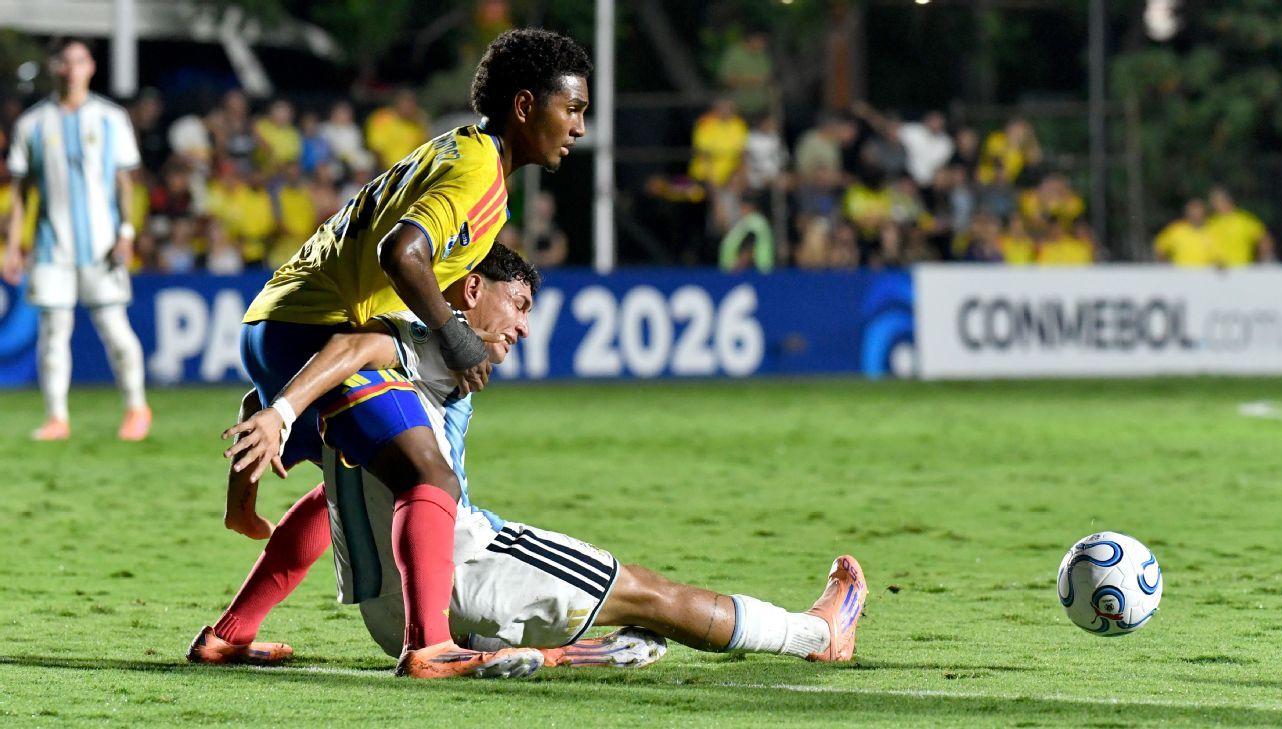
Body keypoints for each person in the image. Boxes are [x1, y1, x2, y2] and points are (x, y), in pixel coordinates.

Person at [205, 243, 868, 672]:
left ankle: (549, 653)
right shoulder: (423, 344)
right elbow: (361, 345)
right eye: (518, 304)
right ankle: (813, 633)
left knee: (339, 493)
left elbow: (294, 468)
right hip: (464, 571)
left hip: (388, 612)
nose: (524, 325)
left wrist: (250, 480)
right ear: (468, 291)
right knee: (649, 591)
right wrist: (280, 412)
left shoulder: (349, 410)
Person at [220, 28, 592, 680]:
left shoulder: (453, 149)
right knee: (429, 476)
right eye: (574, 109)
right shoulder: (481, 172)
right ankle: (429, 645)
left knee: (345, 484)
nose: (580, 127)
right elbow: (403, 253)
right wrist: (452, 331)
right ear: (527, 106)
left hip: (275, 318)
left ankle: (228, 634)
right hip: (322, 328)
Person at [1, 38, 151, 441]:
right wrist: (13, 246)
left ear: (90, 68)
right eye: (64, 61)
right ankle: (56, 417)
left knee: (114, 328)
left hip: (102, 244)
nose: (71, 68)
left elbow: (124, 181)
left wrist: (126, 232)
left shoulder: (110, 118)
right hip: (52, 246)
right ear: (55, 68)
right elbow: (20, 192)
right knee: (52, 331)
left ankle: (136, 407)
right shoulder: (33, 123)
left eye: (79, 60)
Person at [1205, 187, 1274, 266]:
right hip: (1216, 272)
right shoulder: (1211, 223)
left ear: (1228, 201)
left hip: (1241, 270)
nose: (1213, 205)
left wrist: (1259, 262)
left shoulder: (1244, 221)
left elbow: (1265, 240)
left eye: (1216, 201)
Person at [1154, 198, 1218, 267]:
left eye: (1198, 211)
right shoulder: (1176, 230)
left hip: (1206, 275)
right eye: (1192, 211)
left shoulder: (1214, 230)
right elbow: (1159, 248)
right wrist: (1164, 269)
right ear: (1186, 213)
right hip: (1181, 275)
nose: (1195, 215)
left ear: (1204, 212)